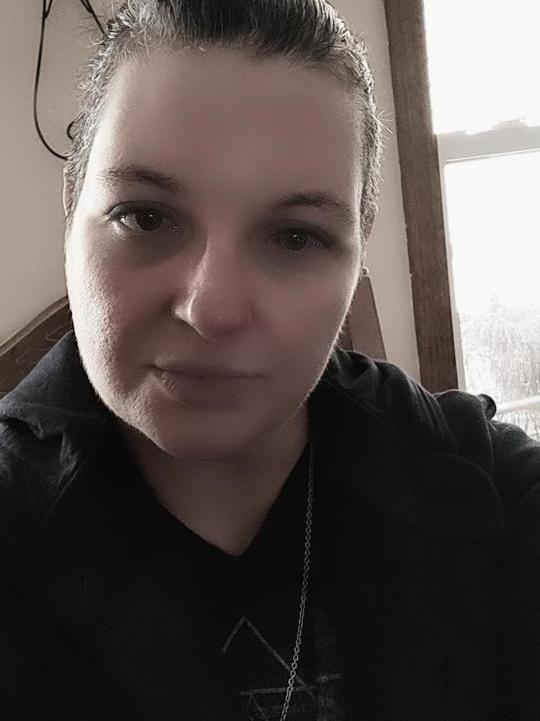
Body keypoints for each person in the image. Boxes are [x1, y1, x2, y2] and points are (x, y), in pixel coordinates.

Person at [0, 0, 539, 719]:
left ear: (359, 244)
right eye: (147, 217)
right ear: (73, 208)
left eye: (295, 237)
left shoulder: (493, 497)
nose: (213, 309)